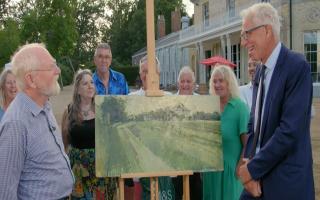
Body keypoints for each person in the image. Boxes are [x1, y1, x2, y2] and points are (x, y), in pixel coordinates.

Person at [238, 3, 314, 199]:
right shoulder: (260, 73)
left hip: (285, 185)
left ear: (267, 30)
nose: (244, 42)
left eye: (247, 34)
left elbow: (289, 131)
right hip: (257, 182)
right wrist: (248, 168)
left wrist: (251, 169)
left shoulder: (297, 67)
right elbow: (253, 126)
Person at [0, 43, 74, 199]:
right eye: (51, 67)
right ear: (31, 79)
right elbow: (5, 193)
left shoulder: (44, 106)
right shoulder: (16, 124)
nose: (58, 70)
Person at [61, 69, 117, 200]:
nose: (90, 86)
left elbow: (112, 139)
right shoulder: (68, 111)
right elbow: (64, 142)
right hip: (78, 169)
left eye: (92, 82)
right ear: (78, 90)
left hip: (101, 167)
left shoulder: (103, 109)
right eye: (85, 83)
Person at [129, 55, 173, 200]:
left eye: (151, 70)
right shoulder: (131, 98)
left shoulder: (169, 98)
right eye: (143, 71)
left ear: (158, 73)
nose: (147, 75)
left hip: (164, 166)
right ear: (140, 74)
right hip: (140, 168)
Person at [202, 64, 249, 200]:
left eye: (221, 81)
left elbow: (248, 144)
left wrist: (239, 167)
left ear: (229, 83)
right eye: (214, 81)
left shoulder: (240, 108)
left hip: (231, 174)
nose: (217, 85)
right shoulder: (210, 108)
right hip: (211, 173)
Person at [173, 66, 202, 200]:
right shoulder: (170, 102)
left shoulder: (201, 102)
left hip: (196, 159)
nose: (185, 84)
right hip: (175, 159)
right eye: (183, 81)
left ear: (194, 84)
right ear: (178, 83)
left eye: (188, 81)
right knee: (177, 194)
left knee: (196, 193)